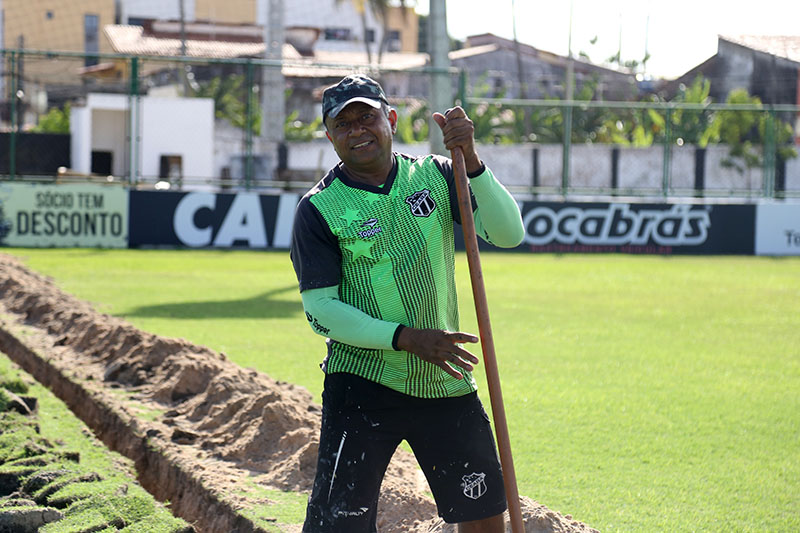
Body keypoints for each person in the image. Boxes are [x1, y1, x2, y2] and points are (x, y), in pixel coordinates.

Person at [290, 74, 525, 533]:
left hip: (445, 380)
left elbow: (508, 234)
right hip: (362, 382)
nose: (357, 130)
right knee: (340, 526)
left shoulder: (438, 174)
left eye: (366, 117)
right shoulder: (319, 208)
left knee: (483, 520)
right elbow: (321, 309)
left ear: (390, 119)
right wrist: (404, 338)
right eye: (343, 124)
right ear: (329, 135)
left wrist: (472, 161)